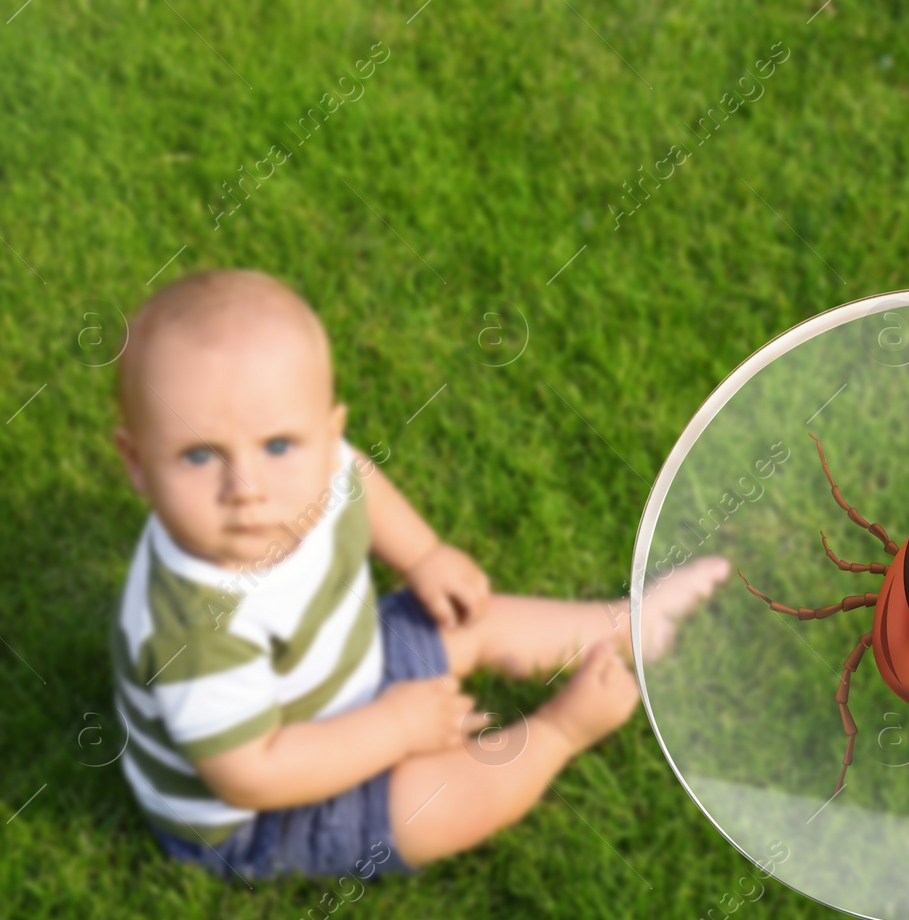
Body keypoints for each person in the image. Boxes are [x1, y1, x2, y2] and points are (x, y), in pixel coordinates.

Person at [108, 269, 728, 881]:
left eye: (277, 447)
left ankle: (631, 627)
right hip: (261, 811)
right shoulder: (192, 630)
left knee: (469, 617)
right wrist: (394, 729)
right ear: (135, 463)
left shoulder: (316, 469)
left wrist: (424, 557)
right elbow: (251, 772)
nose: (246, 488)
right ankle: (561, 732)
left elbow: (360, 484)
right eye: (197, 454)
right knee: (431, 804)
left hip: (349, 668)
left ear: (328, 434)